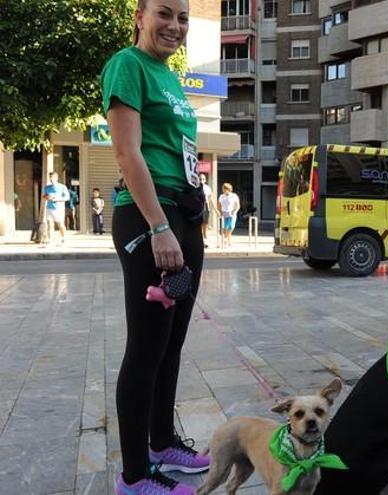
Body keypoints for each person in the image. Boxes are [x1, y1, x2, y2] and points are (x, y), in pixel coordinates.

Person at [102, 0, 210, 493]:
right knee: (145, 349)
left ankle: (162, 442)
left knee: (171, 344)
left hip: (182, 217)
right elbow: (127, 152)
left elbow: (179, 152)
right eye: (164, 13)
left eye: (183, 18)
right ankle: (133, 478)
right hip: (150, 219)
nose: (175, 25)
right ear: (140, 17)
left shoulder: (171, 78)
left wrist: (196, 209)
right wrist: (159, 227)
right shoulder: (128, 65)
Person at [42, 172, 70, 246]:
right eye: (50, 177)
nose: (51, 179)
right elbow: (44, 197)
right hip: (49, 208)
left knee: (60, 224)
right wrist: (47, 197)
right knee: (50, 224)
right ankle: (51, 240)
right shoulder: (47, 187)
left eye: (53, 177)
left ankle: (64, 238)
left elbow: (67, 197)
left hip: (59, 208)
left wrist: (57, 199)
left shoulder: (62, 187)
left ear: (56, 178)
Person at [217, 182, 240, 249]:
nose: (224, 190)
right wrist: (219, 212)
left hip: (231, 213)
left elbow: (237, 205)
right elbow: (219, 205)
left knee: (230, 227)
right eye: (223, 189)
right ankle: (228, 242)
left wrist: (234, 212)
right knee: (225, 228)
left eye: (226, 189)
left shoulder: (234, 196)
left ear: (229, 189)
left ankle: (225, 240)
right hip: (224, 213)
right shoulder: (221, 196)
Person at [198, 173, 217, 247]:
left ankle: (205, 235)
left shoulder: (207, 188)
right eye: (200, 179)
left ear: (205, 180)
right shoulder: (195, 187)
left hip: (206, 205)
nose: (201, 180)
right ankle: (200, 237)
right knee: (199, 222)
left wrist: (215, 210)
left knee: (205, 222)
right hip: (198, 205)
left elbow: (210, 199)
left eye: (203, 179)